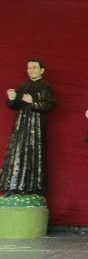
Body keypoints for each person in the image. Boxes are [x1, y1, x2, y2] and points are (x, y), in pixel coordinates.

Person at [0, 59, 56, 196]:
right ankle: (13, 186)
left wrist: (33, 102)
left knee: (33, 154)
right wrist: (12, 98)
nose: (31, 70)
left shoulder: (46, 87)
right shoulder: (23, 85)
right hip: (20, 127)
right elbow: (13, 105)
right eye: (29, 68)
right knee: (16, 153)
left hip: (36, 127)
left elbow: (49, 104)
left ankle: (32, 188)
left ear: (42, 70)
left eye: (34, 67)